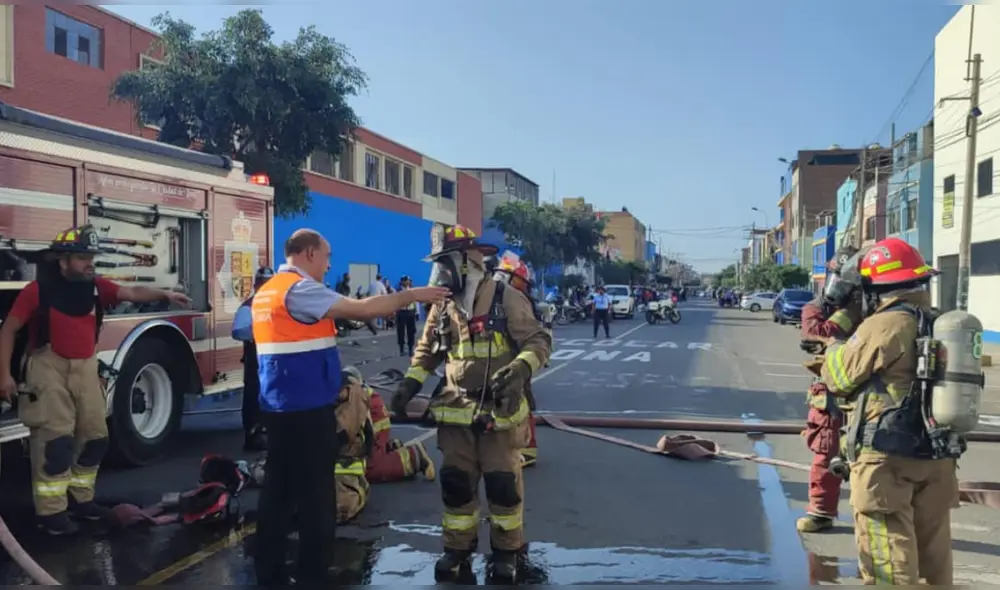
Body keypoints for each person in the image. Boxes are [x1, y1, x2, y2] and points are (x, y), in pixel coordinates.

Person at [251, 228, 447, 585]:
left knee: (277, 494)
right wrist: (414, 295)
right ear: (309, 253)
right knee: (317, 500)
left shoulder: (268, 293)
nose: (328, 265)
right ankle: (313, 576)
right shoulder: (300, 289)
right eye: (326, 257)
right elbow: (362, 306)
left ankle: (270, 573)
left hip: (278, 406)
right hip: (308, 410)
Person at [0, 225, 191, 535]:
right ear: (62, 261)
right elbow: (8, 330)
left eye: (91, 257)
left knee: (95, 437)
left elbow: (131, 293)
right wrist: (4, 375)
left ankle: (81, 499)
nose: (90, 263)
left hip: (86, 367)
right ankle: (51, 512)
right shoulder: (37, 291)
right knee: (55, 442)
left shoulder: (94, 287)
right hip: (48, 369)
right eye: (81, 258)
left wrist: (165, 294)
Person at [391, 224, 552, 583]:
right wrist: (408, 385)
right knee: (456, 484)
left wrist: (518, 369)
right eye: (438, 266)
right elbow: (425, 353)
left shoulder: (505, 297)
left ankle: (507, 553)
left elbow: (539, 341)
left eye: (445, 264)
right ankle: (457, 551)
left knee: (502, 487)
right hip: (455, 414)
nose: (441, 274)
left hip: (499, 413)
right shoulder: (443, 306)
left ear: (468, 262)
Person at [820, 237, 958, 585]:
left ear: (875, 288)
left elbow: (838, 378)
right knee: (933, 555)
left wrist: (836, 345)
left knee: (888, 558)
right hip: (938, 456)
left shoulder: (885, 324)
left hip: (885, 460)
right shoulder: (940, 323)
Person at [796, 245, 861, 533]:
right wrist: (846, 314)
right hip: (831, 393)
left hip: (868, 390)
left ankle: (873, 513)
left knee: (874, 456)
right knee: (826, 452)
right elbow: (817, 335)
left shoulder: (873, 308)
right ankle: (821, 511)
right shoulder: (816, 308)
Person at [493, 252, 544, 468]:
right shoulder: (498, 296)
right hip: (506, 358)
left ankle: (526, 449)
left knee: (521, 403)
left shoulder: (514, 299)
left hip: (517, 359)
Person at [232, 266, 275, 452]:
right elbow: (238, 331)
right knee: (254, 396)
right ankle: (253, 434)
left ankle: (270, 432)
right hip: (256, 359)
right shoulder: (249, 306)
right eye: (263, 282)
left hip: (275, 359)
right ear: (257, 284)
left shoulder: (280, 304)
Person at [396, 275, 418, 357]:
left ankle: (410, 349)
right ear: (402, 282)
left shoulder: (412, 290)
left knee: (411, 331)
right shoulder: (398, 291)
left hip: (410, 312)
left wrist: (417, 313)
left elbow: (415, 302)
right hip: (401, 312)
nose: (408, 282)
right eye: (406, 281)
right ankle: (401, 349)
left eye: (408, 280)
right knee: (400, 331)